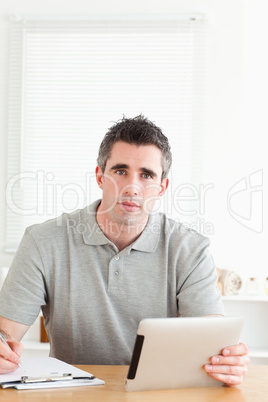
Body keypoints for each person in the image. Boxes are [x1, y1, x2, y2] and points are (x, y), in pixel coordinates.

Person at [0, 115, 249, 384]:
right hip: (72, 394)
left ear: (162, 187)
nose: (132, 187)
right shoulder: (43, 241)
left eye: (146, 175)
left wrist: (227, 361)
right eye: (121, 171)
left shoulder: (191, 249)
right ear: (100, 176)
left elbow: (210, 341)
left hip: (160, 393)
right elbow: (6, 332)